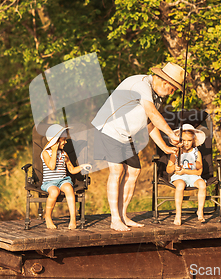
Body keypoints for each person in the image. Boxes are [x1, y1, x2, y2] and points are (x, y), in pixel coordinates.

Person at [91, 62, 185, 231]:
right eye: (173, 89)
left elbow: (150, 123)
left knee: (134, 171)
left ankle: (123, 216)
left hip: (125, 136)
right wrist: (171, 134)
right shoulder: (141, 84)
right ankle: (114, 220)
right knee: (117, 170)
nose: (173, 93)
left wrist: (164, 146)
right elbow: (152, 113)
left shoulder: (157, 97)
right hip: (108, 129)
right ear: (165, 83)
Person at [41, 124, 89, 229]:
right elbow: (52, 166)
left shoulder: (64, 153)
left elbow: (71, 169)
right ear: (55, 141)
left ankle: (73, 219)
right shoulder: (45, 153)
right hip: (49, 183)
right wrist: (54, 151)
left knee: (69, 188)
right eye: (63, 140)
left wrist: (81, 167)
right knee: (54, 191)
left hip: (63, 180)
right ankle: (48, 217)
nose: (65, 142)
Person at [166, 124, 207, 226]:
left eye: (189, 140)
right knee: (180, 185)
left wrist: (185, 171)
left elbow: (199, 172)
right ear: (179, 141)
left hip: (193, 176)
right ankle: (178, 214)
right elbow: (168, 169)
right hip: (179, 177)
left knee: (202, 184)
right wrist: (174, 168)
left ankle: (200, 211)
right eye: (184, 140)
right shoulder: (175, 153)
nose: (186, 143)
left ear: (193, 141)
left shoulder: (197, 153)